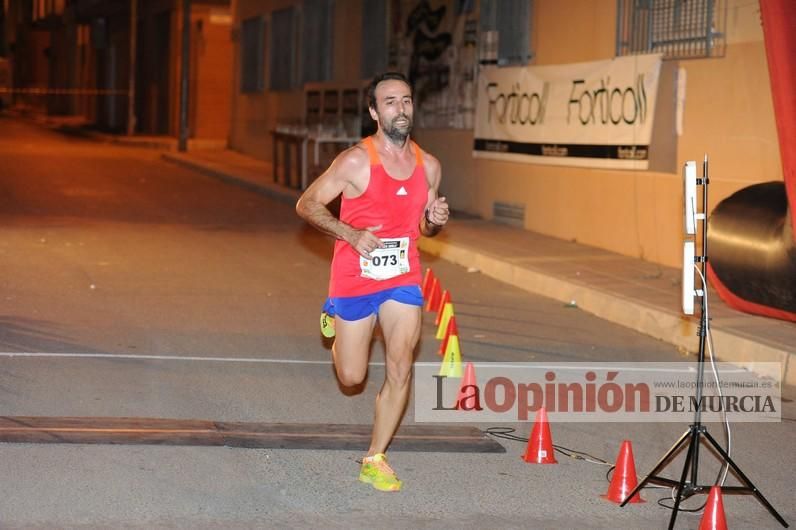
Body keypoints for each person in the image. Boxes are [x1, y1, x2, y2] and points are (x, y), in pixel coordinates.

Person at [295, 72, 449, 492]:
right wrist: (349, 233)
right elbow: (306, 203)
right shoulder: (355, 161)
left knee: (401, 363)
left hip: (402, 275)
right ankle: (334, 316)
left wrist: (433, 223)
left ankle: (375, 457)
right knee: (352, 377)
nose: (401, 108)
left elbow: (424, 226)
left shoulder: (429, 166)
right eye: (390, 102)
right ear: (374, 112)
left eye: (406, 100)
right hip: (354, 276)